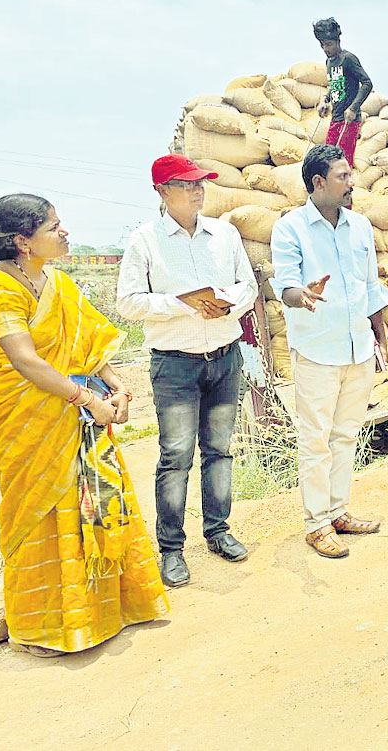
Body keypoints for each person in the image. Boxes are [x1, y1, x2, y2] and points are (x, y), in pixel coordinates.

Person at [0, 194, 168, 656]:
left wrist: (116, 388)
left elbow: (92, 349)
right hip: (28, 418)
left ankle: (105, 612)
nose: (64, 232)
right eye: (53, 226)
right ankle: (45, 629)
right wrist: (86, 399)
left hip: (82, 414)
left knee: (96, 505)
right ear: (22, 241)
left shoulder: (58, 283)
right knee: (42, 517)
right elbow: (24, 360)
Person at [116, 154, 258, 588]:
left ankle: (218, 532)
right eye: (187, 184)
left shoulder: (225, 234)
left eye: (201, 183)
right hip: (175, 364)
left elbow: (248, 285)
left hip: (224, 355)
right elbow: (128, 303)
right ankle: (172, 550)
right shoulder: (146, 241)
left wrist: (229, 302)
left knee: (220, 449)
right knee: (176, 457)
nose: (198, 190)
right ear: (162, 192)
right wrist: (182, 302)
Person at [270, 144, 388, 559]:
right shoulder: (290, 229)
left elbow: (370, 285)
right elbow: (285, 284)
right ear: (318, 182)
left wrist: (380, 333)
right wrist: (299, 295)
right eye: (343, 176)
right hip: (317, 350)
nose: (351, 183)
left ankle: (338, 512)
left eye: (350, 174)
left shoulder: (359, 226)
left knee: (346, 436)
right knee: (316, 441)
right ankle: (316, 524)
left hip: (358, 347)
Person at [312, 17, 373, 167]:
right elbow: (334, 85)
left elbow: (367, 83)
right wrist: (325, 100)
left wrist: (353, 108)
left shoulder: (348, 59)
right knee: (327, 161)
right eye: (322, 45)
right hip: (335, 119)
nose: (326, 49)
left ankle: (346, 190)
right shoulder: (329, 62)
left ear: (338, 41)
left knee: (342, 163)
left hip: (350, 121)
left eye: (329, 44)